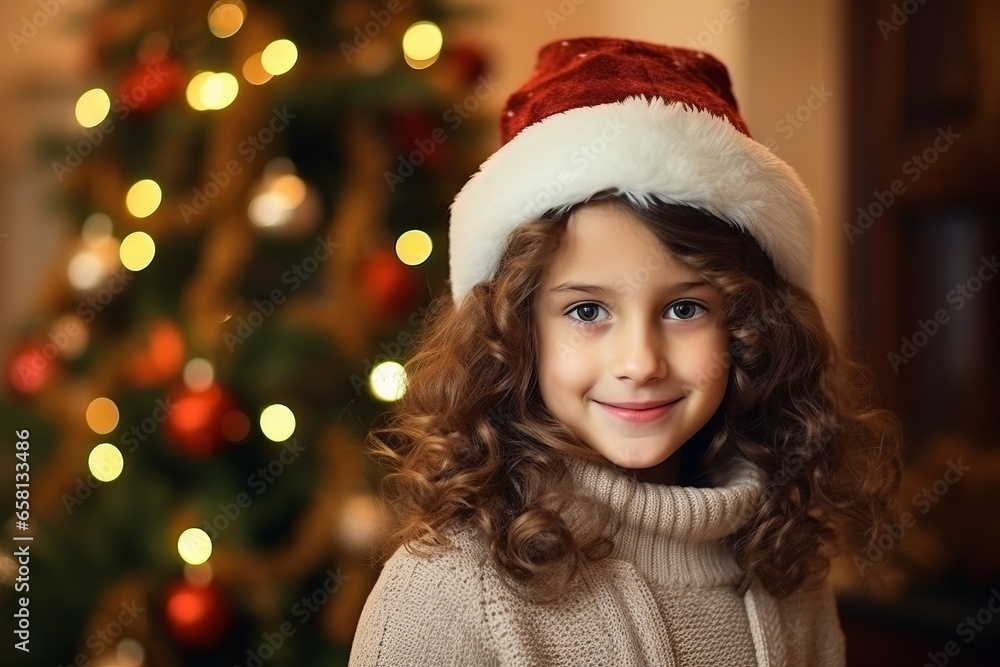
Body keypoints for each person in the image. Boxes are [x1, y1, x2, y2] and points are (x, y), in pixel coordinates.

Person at [349, 36, 901, 666]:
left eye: (684, 308)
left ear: (749, 328)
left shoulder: (787, 562)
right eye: (587, 311)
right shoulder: (446, 591)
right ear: (516, 332)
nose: (639, 362)